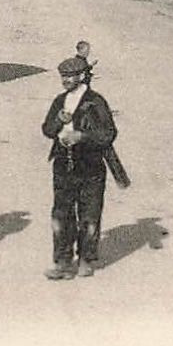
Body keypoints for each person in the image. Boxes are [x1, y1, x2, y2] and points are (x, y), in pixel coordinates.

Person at [42, 55, 118, 280]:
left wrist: (82, 136)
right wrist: (58, 121)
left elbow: (108, 134)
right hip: (63, 165)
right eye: (63, 77)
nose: (65, 80)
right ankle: (63, 262)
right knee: (61, 215)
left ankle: (86, 259)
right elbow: (47, 129)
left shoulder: (96, 102)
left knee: (89, 215)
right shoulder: (59, 100)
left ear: (82, 76)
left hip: (90, 166)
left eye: (69, 76)